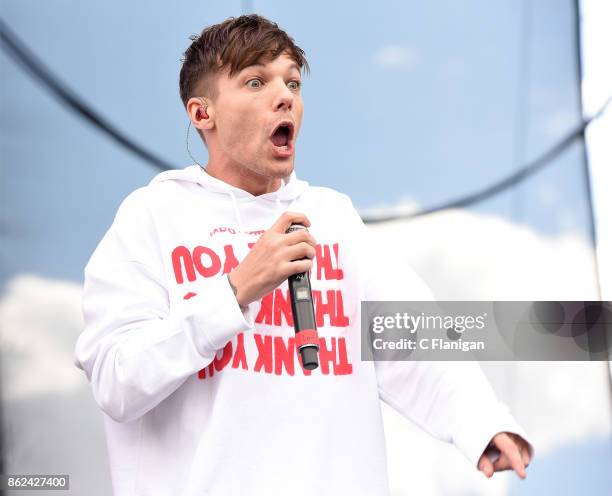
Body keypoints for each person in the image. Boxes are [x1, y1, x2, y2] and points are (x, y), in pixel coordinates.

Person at [74, 14, 534, 496]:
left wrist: (481, 422)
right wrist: (233, 292)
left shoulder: (332, 217)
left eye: (292, 82)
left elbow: (413, 335)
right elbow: (115, 378)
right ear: (201, 113)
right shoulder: (153, 216)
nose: (284, 96)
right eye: (256, 81)